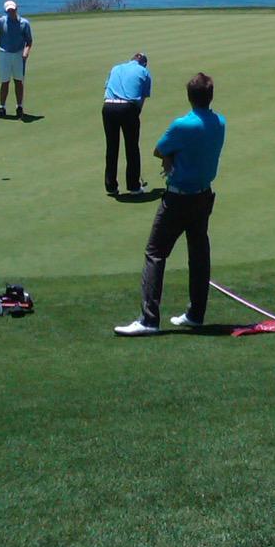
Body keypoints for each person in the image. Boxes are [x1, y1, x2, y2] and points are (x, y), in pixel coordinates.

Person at [114, 72, 226, 336]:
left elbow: (159, 150)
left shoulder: (182, 125)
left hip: (178, 198)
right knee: (198, 255)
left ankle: (149, 319)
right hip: (203, 196)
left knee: (155, 253)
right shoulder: (220, 122)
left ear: (189, 97)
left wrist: (169, 159)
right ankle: (196, 314)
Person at [102, 52, 152, 195]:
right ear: (144, 63)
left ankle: (111, 186)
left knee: (111, 147)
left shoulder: (116, 68)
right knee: (132, 147)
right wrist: (135, 114)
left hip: (108, 106)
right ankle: (134, 186)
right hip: (128, 108)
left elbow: (107, 88)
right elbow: (142, 99)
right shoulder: (144, 72)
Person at [0, 0, 33, 118]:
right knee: (5, 81)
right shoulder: (0, 21)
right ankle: (2, 107)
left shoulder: (24, 23)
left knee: (18, 81)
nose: (11, 12)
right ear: (6, 11)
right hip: (4, 55)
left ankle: (19, 107)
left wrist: (26, 52)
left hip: (18, 55)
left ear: (16, 9)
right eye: (9, 10)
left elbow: (29, 41)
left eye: (13, 10)